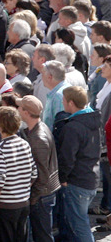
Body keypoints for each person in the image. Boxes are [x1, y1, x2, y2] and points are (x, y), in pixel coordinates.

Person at [55, 85, 101, 241]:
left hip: (77, 182)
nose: (62, 103)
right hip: (91, 178)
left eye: (63, 100)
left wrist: (62, 179)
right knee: (75, 222)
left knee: (79, 225)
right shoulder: (92, 121)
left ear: (71, 103)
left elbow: (67, 157)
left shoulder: (73, 127)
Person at [15, 95, 59, 242]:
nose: (18, 110)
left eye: (20, 108)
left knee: (42, 236)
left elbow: (42, 174)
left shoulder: (38, 138)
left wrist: (33, 199)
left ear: (26, 113)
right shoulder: (38, 128)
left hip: (41, 195)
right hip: (44, 193)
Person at [0, 106, 36, 240]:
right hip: (23, 203)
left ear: (1, 123)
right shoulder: (24, 144)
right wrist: (21, 190)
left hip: (5, 206)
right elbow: (34, 173)